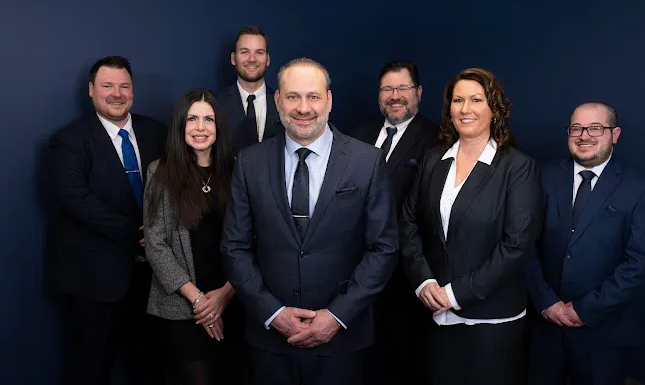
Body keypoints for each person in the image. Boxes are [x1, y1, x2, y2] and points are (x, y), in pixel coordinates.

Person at [220, 58, 399, 385]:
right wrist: (273, 313)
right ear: (277, 100)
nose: (303, 108)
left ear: (329, 100)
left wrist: (337, 315)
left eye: (313, 96)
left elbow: (383, 248)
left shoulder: (366, 161)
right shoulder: (249, 162)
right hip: (269, 342)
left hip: (342, 340)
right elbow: (234, 247)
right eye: (293, 96)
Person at [400, 67, 543, 385]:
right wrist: (424, 282)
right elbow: (408, 223)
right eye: (458, 100)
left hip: (491, 322)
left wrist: (455, 294)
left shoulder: (517, 167)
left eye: (476, 100)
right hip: (434, 313)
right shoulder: (433, 160)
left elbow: (516, 246)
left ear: (495, 109)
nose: (465, 109)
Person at [48, 55, 166, 385]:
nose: (117, 93)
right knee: (91, 369)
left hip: (152, 279)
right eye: (108, 86)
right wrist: (139, 233)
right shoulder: (68, 140)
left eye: (124, 86)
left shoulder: (156, 132)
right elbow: (75, 201)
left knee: (150, 367)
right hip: (94, 282)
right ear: (91, 90)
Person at [527, 102, 645, 385]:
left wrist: (585, 309)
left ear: (615, 134)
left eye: (595, 128)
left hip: (603, 333)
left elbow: (638, 262)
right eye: (577, 128)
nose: (584, 135)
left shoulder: (639, 188)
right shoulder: (542, 176)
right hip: (544, 327)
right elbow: (524, 245)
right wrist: (546, 302)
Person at [143, 89, 246, 384]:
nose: (200, 128)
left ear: (218, 126)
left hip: (234, 299)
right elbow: (155, 244)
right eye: (192, 119)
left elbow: (253, 238)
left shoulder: (238, 169)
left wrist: (226, 294)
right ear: (180, 124)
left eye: (208, 119)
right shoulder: (161, 172)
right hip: (182, 305)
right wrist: (200, 301)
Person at [349, 60, 439, 385]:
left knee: (401, 366)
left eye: (403, 88)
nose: (395, 95)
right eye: (387, 88)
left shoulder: (436, 140)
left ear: (419, 92)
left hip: (403, 279)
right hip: (353, 274)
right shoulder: (356, 137)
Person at [217, 26, 283, 153]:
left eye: (259, 52)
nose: (252, 59)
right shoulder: (217, 104)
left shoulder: (282, 103)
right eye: (244, 52)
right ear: (233, 58)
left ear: (268, 59)